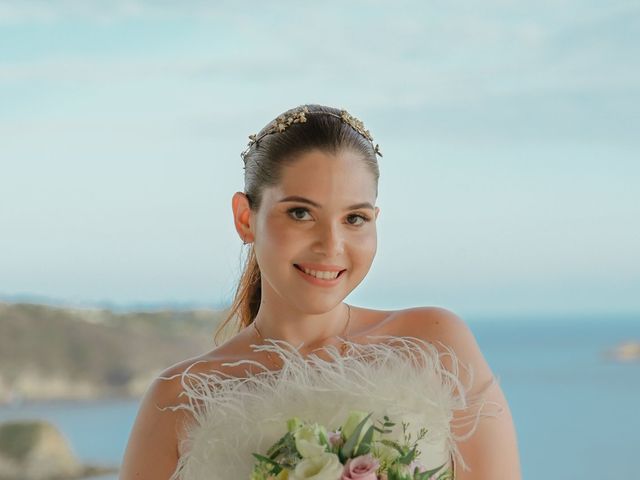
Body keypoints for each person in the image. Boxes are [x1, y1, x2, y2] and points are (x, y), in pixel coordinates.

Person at [119, 104, 522, 479]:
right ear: (245, 218)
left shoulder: (434, 342)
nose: (331, 245)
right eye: (300, 213)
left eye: (354, 218)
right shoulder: (178, 399)